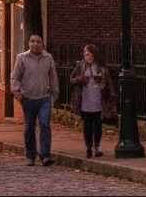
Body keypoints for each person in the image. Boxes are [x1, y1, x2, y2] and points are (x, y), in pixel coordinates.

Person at [10, 33, 58, 166]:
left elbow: (53, 76)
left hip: (44, 97)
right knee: (30, 126)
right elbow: (15, 77)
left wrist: (54, 94)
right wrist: (16, 91)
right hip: (28, 98)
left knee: (44, 124)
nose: (35, 44)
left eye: (38, 42)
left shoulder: (48, 58)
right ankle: (30, 154)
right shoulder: (22, 58)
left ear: (42, 44)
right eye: (32, 41)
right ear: (28, 43)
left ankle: (45, 154)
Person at [69, 43, 116, 158]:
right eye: (85, 54)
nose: (86, 56)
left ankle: (96, 147)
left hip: (98, 102)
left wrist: (110, 99)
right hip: (85, 102)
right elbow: (71, 79)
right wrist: (79, 79)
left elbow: (109, 86)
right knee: (87, 126)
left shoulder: (101, 68)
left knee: (98, 126)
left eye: (88, 54)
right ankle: (88, 147)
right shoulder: (81, 66)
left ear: (94, 54)